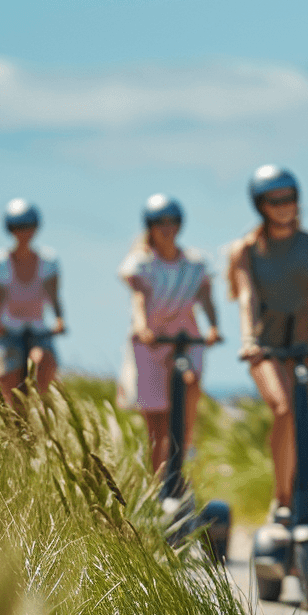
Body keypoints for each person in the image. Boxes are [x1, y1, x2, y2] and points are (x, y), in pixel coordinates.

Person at [229, 165, 308, 522]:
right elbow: (247, 298)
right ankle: (281, 497)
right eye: (275, 200)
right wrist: (249, 339)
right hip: (265, 344)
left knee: (301, 414)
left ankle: (300, 491)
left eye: (290, 198)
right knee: (283, 408)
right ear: (261, 205)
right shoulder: (247, 249)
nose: (284, 206)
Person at [118, 194, 220, 476]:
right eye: (160, 222)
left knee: (187, 396)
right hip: (151, 343)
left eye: (172, 221)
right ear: (150, 226)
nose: (166, 227)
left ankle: (178, 471)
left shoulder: (196, 263)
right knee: (157, 420)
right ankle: (157, 481)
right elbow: (139, 298)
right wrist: (142, 327)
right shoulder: (141, 263)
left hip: (186, 340)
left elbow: (206, 299)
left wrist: (213, 327)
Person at [0, 198, 64, 406]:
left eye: (28, 226)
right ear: (10, 229)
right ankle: (14, 423)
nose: (23, 232)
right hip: (10, 330)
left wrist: (59, 319)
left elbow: (53, 296)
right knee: (7, 381)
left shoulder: (48, 261)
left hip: (38, 330)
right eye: (18, 227)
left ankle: (42, 411)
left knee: (42, 362)